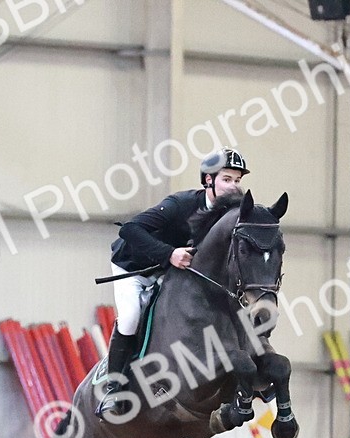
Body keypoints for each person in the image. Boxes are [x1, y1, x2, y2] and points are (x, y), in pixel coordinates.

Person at [96, 147, 250, 417]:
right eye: (227, 179)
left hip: (173, 270)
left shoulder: (229, 216)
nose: (233, 186)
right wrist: (169, 254)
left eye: (237, 181)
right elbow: (130, 229)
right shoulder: (181, 204)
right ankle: (114, 388)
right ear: (208, 180)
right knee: (131, 317)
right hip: (134, 267)